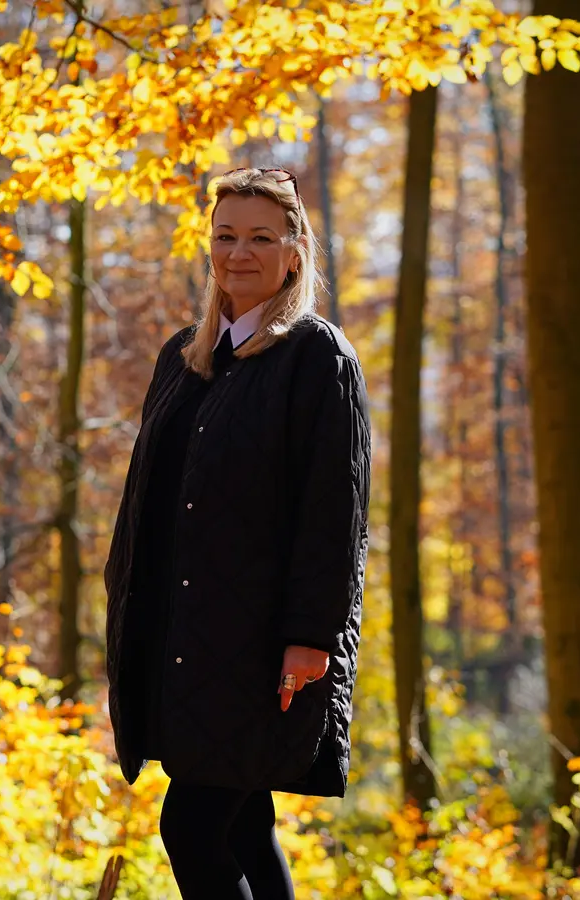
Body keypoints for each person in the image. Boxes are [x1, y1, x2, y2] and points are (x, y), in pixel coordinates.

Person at [102, 166, 373, 899]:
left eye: (260, 237)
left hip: (263, 649)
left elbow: (335, 514)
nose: (239, 253)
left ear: (294, 251)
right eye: (225, 236)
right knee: (243, 826)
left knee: (190, 826)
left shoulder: (319, 359)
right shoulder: (182, 357)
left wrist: (311, 638)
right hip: (181, 640)